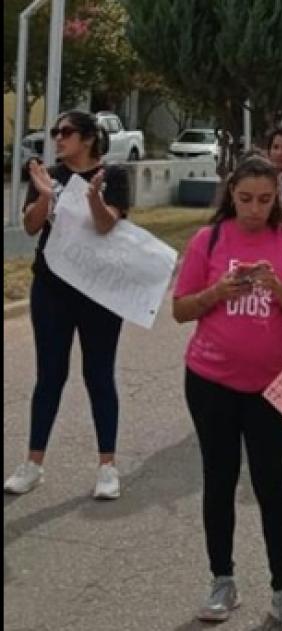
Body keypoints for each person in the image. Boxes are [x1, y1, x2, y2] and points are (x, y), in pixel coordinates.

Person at [172, 154, 282, 629]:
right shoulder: (208, 239)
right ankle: (222, 580)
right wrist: (218, 292)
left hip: (272, 386)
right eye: (244, 199)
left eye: (264, 199)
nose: (254, 209)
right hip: (210, 381)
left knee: (271, 484)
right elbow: (180, 310)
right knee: (218, 478)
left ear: (277, 197)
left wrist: (274, 284)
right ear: (230, 196)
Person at [4, 110, 129, 499]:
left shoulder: (114, 176)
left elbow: (107, 224)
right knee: (49, 376)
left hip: (98, 292)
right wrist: (43, 195)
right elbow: (30, 226)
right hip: (52, 290)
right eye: (56, 132)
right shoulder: (49, 174)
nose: (58, 138)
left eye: (66, 132)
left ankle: (107, 467)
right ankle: (33, 464)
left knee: (99, 375)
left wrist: (92, 197)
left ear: (89, 138)